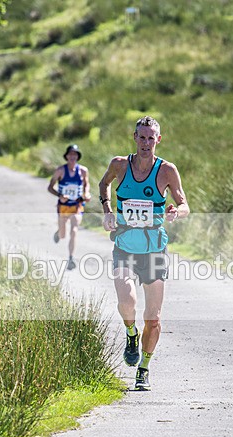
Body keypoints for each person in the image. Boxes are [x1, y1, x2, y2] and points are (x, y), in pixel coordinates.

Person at [98, 116, 189, 391]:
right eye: (142, 137)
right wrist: (107, 210)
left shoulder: (166, 170)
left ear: (158, 140)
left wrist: (176, 212)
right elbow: (103, 185)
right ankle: (130, 333)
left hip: (154, 250)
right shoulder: (120, 165)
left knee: (154, 316)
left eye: (151, 138)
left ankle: (144, 369)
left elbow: (184, 203)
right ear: (134, 138)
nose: (146, 143)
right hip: (124, 246)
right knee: (127, 303)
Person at [47, 144, 91, 270]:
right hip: (63, 207)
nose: (72, 156)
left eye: (75, 154)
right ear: (66, 156)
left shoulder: (83, 171)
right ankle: (58, 232)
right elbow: (50, 187)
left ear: (77, 156)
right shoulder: (60, 170)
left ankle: (71, 258)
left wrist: (86, 193)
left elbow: (86, 184)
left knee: (74, 230)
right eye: (70, 154)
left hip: (77, 205)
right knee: (62, 235)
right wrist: (60, 195)